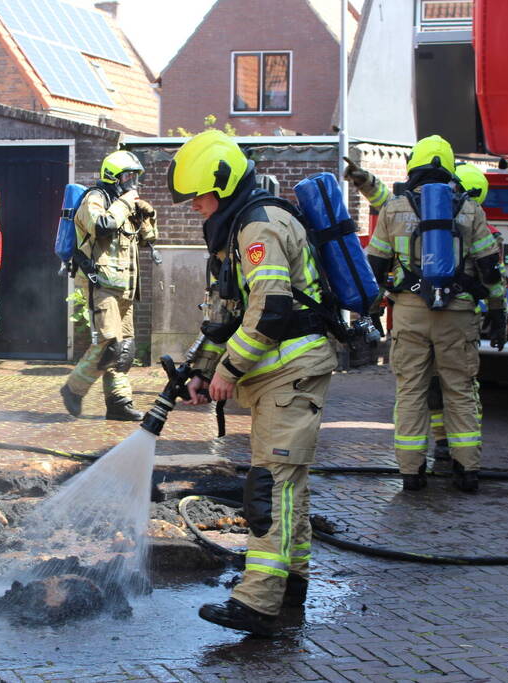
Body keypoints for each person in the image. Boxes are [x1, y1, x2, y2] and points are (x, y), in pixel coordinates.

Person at [168, 130, 338, 636]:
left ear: (221, 185)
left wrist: (228, 370)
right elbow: (227, 315)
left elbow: (271, 308)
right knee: (289, 486)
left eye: (198, 195)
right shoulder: (236, 228)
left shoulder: (259, 226)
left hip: (292, 371)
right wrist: (203, 370)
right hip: (279, 374)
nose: (194, 205)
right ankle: (290, 585)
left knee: (269, 486)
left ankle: (258, 602)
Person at [364, 136, 506, 494]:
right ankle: (467, 470)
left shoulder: (394, 209)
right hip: (458, 315)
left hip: (409, 314)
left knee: (411, 391)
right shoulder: (470, 209)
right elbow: (490, 269)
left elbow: (374, 268)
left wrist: (372, 309)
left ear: (413, 166)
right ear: (449, 167)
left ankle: (411, 473)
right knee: (460, 390)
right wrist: (497, 312)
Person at [60, 150, 158, 421]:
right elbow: (101, 225)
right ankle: (73, 389)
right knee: (109, 345)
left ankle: (118, 403)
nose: (133, 183)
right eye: (128, 177)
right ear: (113, 177)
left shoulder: (123, 205)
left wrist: (148, 215)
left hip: (125, 288)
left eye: (135, 177)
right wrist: (125, 204)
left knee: (124, 350)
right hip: (101, 285)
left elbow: (148, 239)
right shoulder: (96, 198)